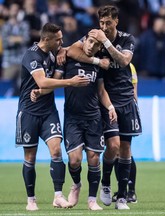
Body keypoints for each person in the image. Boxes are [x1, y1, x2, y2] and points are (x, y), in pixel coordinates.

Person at [67, 5, 142, 210]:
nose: (104, 27)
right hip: (104, 100)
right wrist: (96, 60)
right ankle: (106, 183)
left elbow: (124, 60)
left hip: (125, 99)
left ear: (116, 21)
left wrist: (106, 42)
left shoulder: (127, 39)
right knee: (112, 147)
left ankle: (123, 197)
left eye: (108, 23)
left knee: (125, 148)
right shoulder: (94, 36)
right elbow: (71, 50)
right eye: (101, 23)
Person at [31, 33, 117, 210]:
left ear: (100, 48)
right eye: (90, 41)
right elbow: (55, 80)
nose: (92, 46)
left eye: (95, 44)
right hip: (73, 118)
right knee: (75, 160)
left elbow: (101, 91)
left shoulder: (98, 64)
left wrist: (110, 107)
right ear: (84, 41)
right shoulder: (67, 59)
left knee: (94, 159)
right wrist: (41, 91)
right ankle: (76, 184)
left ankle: (92, 200)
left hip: (93, 118)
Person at [15, 22, 90, 211]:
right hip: (29, 112)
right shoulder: (31, 55)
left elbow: (51, 82)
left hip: (48, 111)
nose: (61, 42)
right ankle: (31, 200)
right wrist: (70, 82)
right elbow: (42, 80)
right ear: (46, 39)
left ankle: (58, 196)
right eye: (58, 40)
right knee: (30, 157)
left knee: (56, 151)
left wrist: (41, 92)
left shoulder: (53, 52)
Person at [112, 63, 138, 204]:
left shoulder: (129, 65)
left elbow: (134, 91)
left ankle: (131, 191)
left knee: (125, 150)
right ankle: (123, 190)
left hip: (126, 110)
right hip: (112, 110)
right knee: (117, 150)